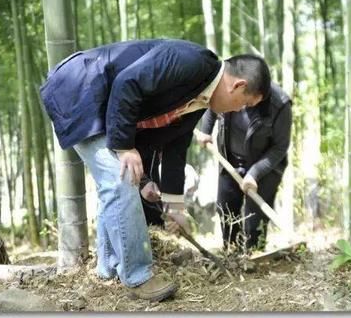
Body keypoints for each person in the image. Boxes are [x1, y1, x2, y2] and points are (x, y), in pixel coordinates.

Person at [40, 39, 271, 301]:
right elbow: (128, 83)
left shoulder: (200, 97)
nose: (239, 110)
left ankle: (107, 269)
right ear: (237, 85)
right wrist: (125, 147)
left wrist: (175, 206)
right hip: (78, 89)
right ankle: (138, 276)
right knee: (120, 180)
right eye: (244, 104)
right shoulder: (190, 61)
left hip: (103, 103)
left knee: (121, 181)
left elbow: (175, 149)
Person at [195, 82, 292, 251]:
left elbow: (280, 147)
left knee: (255, 220)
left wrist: (254, 173)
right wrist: (206, 130)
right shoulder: (230, 89)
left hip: (265, 166)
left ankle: (254, 255)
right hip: (230, 161)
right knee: (226, 210)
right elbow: (213, 105)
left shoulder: (280, 103)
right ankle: (231, 253)